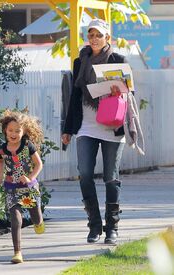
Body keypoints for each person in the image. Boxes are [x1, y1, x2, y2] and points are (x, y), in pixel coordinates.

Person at [62, 18, 128, 245]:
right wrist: (68, 129)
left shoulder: (118, 60)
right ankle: (95, 225)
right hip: (86, 126)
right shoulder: (80, 61)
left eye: (99, 35)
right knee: (85, 174)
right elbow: (74, 96)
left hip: (112, 125)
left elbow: (128, 92)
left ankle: (112, 227)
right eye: (91, 35)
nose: (94, 39)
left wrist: (116, 90)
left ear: (107, 38)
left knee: (111, 177)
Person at [0, 110, 45, 263]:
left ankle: (39, 221)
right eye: (10, 130)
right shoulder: (2, 149)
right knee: (15, 218)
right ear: (5, 131)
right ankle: (17, 252)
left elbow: (38, 164)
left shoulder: (28, 146)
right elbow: (0, 162)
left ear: (24, 131)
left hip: (28, 188)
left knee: (35, 217)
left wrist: (30, 178)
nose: (13, 134)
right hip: (11, 187)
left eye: (17, 130)